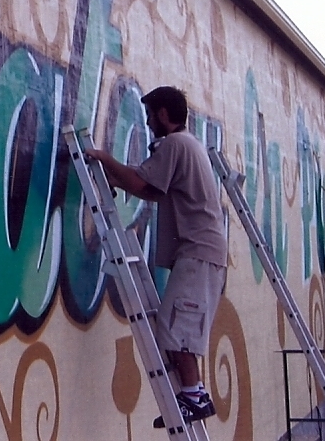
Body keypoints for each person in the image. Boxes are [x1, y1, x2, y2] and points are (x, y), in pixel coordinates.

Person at [84, 86, 227, 426]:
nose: (148, 123)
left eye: (150, 115)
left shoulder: (176, 144)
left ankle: (192, 394)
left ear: (163, 114)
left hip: (198, 251)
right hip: (201, 251)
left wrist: (104, 159)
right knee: (180, 323)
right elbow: (149, 188)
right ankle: (195, 393)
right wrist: (116, 175)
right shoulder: (187, 145)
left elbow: (140, 183)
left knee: (177, 325)